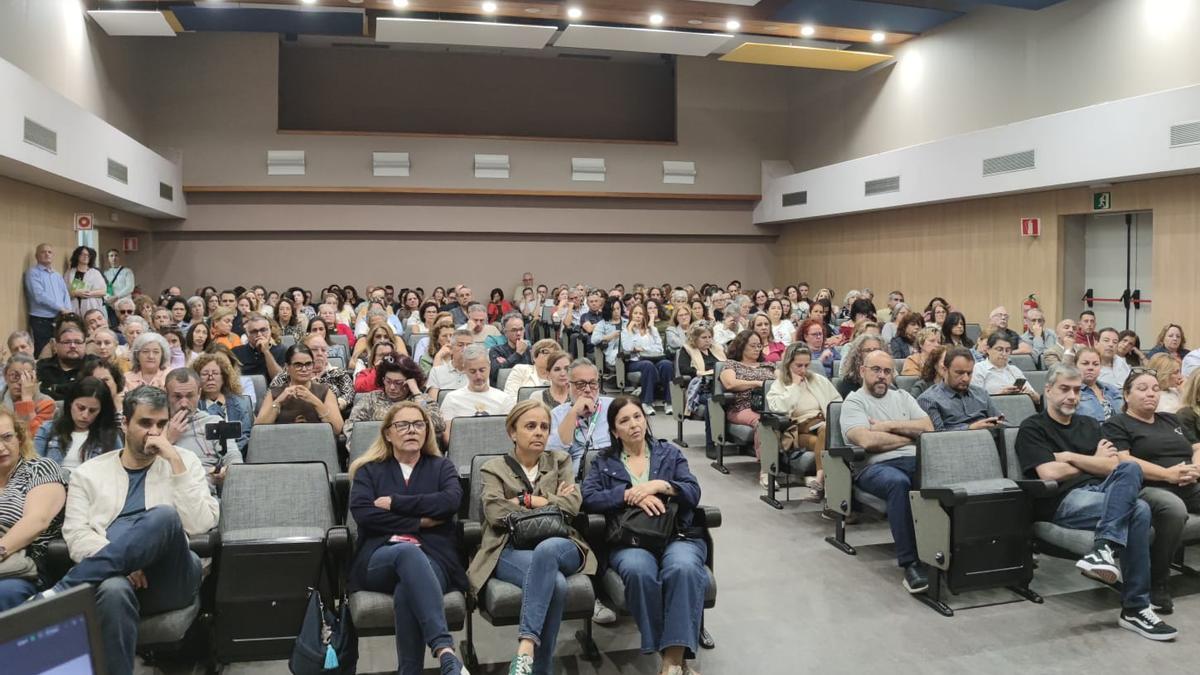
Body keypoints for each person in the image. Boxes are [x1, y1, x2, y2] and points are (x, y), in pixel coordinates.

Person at [51, 385, 219, 675]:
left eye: (161, 424)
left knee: (164, 517)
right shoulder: (88, 474)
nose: (154, 432)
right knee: (113, 589)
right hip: (117, 576)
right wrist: (122, 561)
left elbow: (201, 525)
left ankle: (63, 590)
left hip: (172, 575)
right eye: (145, 423)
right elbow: (77, 535)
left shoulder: (184, 462)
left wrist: (175, 462)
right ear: (125, 423)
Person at [1014, 364, 1173, 640]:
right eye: (1064, 389)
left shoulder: (1088, 423)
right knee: (1139, 510)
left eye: (1076, 390)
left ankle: (1102, 550)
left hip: (1102, 492)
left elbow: (1113, 464)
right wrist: (1091, 462)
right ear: (1048, 390)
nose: (1072, 396)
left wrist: (1069, 457)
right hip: (1063, 500)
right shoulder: (1032, 427)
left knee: (1131, 468)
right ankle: (1135, 608)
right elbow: (1049, 472)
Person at [580, 395, 706, 675]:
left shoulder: (668, 453)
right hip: (631, 538)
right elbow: (588, 499)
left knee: (683, 568)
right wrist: (627, 495)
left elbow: (693, 492)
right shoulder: (604, 461)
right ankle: (673, 657)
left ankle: (670, 662)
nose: (634, 424)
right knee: (639, 571)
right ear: (614, 431)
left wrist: (661, 485)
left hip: (677, 533)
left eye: (637, 416)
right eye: (624, 420)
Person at [468, 400, 596, 675]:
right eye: (530, 426)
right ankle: (541, 670)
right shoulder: (493, 468)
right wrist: (551, 502)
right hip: (509, 548)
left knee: (548, 550)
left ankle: (526, 645)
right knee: (557, 585)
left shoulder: (560, 460)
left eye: (544, 427)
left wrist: (526, 500)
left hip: (562, 543)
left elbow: (573, 505)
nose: (539, 432)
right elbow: (494, 512)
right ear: (513, 432)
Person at [347, 401, 470, 675]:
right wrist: (420, 521)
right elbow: (365, 514)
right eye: (402, 425)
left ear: (427, 431)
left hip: (434, 556)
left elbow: (449, 502)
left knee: (407, 590)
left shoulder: (441, 467)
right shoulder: (369, 470)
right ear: (388, 433)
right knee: (407, 553)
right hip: (380, 556)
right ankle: (444, 650)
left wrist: (394, 502)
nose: (411, 430)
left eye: (418, 424)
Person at [1102, 369, 1200, 616]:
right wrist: (1168, 474)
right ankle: (1158, 581)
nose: (1151, 394)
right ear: (1126, 395)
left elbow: (1197, 447)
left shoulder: (1170, 419)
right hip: (1148, 487)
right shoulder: (1117, 423)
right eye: (1143, 388)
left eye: (1155, 389)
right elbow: (1125, 461)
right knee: (1174, 510)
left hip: (1188, 481)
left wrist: (1195, 468)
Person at [840, 349, 934, 593]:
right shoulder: (854, 402)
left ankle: (947, 549)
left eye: (887, 371)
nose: (882, 376)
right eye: (876, 370)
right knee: (898, 483)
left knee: (947, 472)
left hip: (916, 460)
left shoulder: (902, 396)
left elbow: (928, 428)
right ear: (862, 371)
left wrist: (888, 426)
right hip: (874, 467)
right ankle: (910, 564)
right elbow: (867, 442)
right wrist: (909, 437)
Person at [0, 407, 68, 610]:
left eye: (7, 437)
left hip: (23, 569)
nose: (1, 447)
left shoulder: (39, 468)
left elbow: (37, 521)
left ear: (19, 438)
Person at [767, 344, 842, 500]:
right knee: (829, 438)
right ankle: (826, 489)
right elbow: (780, 409)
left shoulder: (818, 380)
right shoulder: (779, 385)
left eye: (806, 365)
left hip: (822, 426)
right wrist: (794, 386)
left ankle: (821, 482)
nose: (803, 369)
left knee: (825, 436)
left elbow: (837, 403)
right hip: (798, 431)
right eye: (798, 365)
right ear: (788, 364)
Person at [162, 368, 242, 493]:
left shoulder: (214, 421)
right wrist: (168, 440)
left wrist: (227, 470)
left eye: (190, 396)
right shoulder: (156, 425)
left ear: (199, 393)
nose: (183, 403)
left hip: (204, 491)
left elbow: (233, 455)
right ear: (166, 393)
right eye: (177, 396)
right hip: (168, 489)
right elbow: (143, 464)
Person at [34, 377, 123, 477]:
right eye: (81, 408)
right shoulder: (48, 429)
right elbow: (34, 467)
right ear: (71, 403)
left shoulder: (110, 436)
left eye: (92, 411)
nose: (85, 415)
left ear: (101, 411)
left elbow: (118, 473)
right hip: (52, 486)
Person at [720, 330, 776, 487]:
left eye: (759, 345)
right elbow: (730, 384)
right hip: (742, 407)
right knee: (763, 422)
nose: (757, 349)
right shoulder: (732, 364)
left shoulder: (769, 365)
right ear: (741, 346)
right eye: (753, 345)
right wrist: (758, 383)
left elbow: (782, 382)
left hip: (771, 405)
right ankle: (766, 470)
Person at [346, 356, 444, 443]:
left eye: (398, 383)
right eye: (388, 381)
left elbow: (438, 425)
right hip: (375, 453)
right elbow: (351, 427)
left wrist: (416, 392)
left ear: (409, 382)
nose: (392, 387)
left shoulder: (420, 399)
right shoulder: (371, 399)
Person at [255, 345, 344, 433]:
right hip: (283, 443)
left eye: (308, 364)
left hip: (317, 443)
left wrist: (315, 401)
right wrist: (278, 401)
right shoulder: (275, 393)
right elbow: (258, 430)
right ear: (287, 367)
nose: (304, 369)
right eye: (298, 365)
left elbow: (337, 428)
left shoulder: (325, 391)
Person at [547, 359, 614, 473]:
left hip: (614, 468)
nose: (588, 390)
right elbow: (553, 457)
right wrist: (573, 413)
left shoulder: (612, 407)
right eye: (580, 384)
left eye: (593, 383)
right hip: (580, 476)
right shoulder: (556, 415)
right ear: (568, 387)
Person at [439, 345, 515, 441]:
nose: (478, 376)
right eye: (472, 371)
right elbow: (447, 438)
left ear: (489, 366)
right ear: (465, 369)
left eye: (482, 370)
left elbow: (511, 436)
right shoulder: (452, 398)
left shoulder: (504, 399)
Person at [916, 347, 1002, 431]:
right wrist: (970, 428)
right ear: (945, 370)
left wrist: (1000, 422)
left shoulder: (981, 393)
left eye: (969, 373)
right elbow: (937, 437)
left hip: (989, 440)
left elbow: (1000, 423)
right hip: (955, 444)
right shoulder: (929, 400)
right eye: (959, 373)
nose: (966, 378)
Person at [192, 352, 253, 455]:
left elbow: (245, 437)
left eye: (215, 373)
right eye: (205, 374)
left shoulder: (240, 403)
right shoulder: (193, 404)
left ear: (224, 377)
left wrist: (229, 454)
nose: (210, 378)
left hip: (236, 455)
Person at [622, 304, 675, 417]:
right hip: (635, 362)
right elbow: (628, 348)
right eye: (635, 313)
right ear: (631, 315)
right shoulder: (626, 330)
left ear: (645, 316)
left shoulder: (651, 329)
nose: (638, 316)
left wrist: (642, 349)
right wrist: (630, 329)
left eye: (641, 314)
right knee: (648, 365)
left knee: (667, 364)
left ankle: (669, 402)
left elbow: (659, 348)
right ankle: (647, 402)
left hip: (654, 359)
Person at [970, 331, 1041, 406]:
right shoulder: (979, 368)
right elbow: (976, 401)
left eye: (1007, 350)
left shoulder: (1014, 370)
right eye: (999, 349)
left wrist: (1030, 394)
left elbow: (1038, 399)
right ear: (988, 349)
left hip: (1019, 407)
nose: (1004, 354)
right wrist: (1000, 395)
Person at [25, 243, 72, 354]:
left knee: (60, 349)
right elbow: (39, 296)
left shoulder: (57, 275)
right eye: (43, 252)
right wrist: (61, 308)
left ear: (53, 255)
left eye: (49, 252)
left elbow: (65, 294)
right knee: (44, 350)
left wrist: (68, 310)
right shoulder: (32, 273)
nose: (47, 254)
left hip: (60, 317)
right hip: (41, 319)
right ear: (37, 256)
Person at [3, 354, 56, 436]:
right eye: (15, 376)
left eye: (27, 377)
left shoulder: (47, 403)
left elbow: (36, 437)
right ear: (5, 376)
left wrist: (27, 399)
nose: (21, 382)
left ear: (35, 378)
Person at [37, 325, 85, 401]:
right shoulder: (42, 366)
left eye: (77, 342)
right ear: (56, 345)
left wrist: (54, 389)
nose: (73, 346)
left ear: (84, 345)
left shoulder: (93, 365)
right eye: (67, 342)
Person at [232, 313, 287, 380]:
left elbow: (279, 380)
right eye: (254, 331)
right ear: (247, 335)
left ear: (270, 331)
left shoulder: (281, 350)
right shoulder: (236, 352)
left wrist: (266, 352)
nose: (259, 334)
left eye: (263, 330)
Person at [426, 329, 474, 399]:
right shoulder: (436, 372)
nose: (465, 349)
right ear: (451, 349)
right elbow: (432, 403)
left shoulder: (479, 373)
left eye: (469, 346)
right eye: (460, 345)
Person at [836, 334, 885, 399]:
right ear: (858, 354)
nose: (873, 353)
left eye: (876, 350)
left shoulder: (886, 376)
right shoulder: (849, 382)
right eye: (867, 350)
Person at [63, 246, 107, 317]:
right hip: (73, 307)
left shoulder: (95, 273)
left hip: (91, 307)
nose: (86, 256)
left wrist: (88, 293)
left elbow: (103, 291)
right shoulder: (69, 273)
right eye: (83, 254)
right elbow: (63, 292)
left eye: (88, 255)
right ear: (77, 256)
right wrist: (75, 293)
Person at [490, 313, 532, 382]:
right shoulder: (496, 350)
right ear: (505, 332)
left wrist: (506, 363)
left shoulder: (530, 350)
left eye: (521, 329)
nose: (518, 333)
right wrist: (518, 354)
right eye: (514, 330)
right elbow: (495, 374)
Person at [102, 249, 136, 327]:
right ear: (108, 258)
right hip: (111, 305)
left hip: (125, 305)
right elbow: (103, 288)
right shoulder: (106, 273)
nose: (114, 258)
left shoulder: (127, 271)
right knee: (114, 326)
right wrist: (108, 298)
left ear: (119, 257)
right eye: (111, 256)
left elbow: (130, 287)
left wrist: (116, 297)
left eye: (116, 255)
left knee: (127, 325)